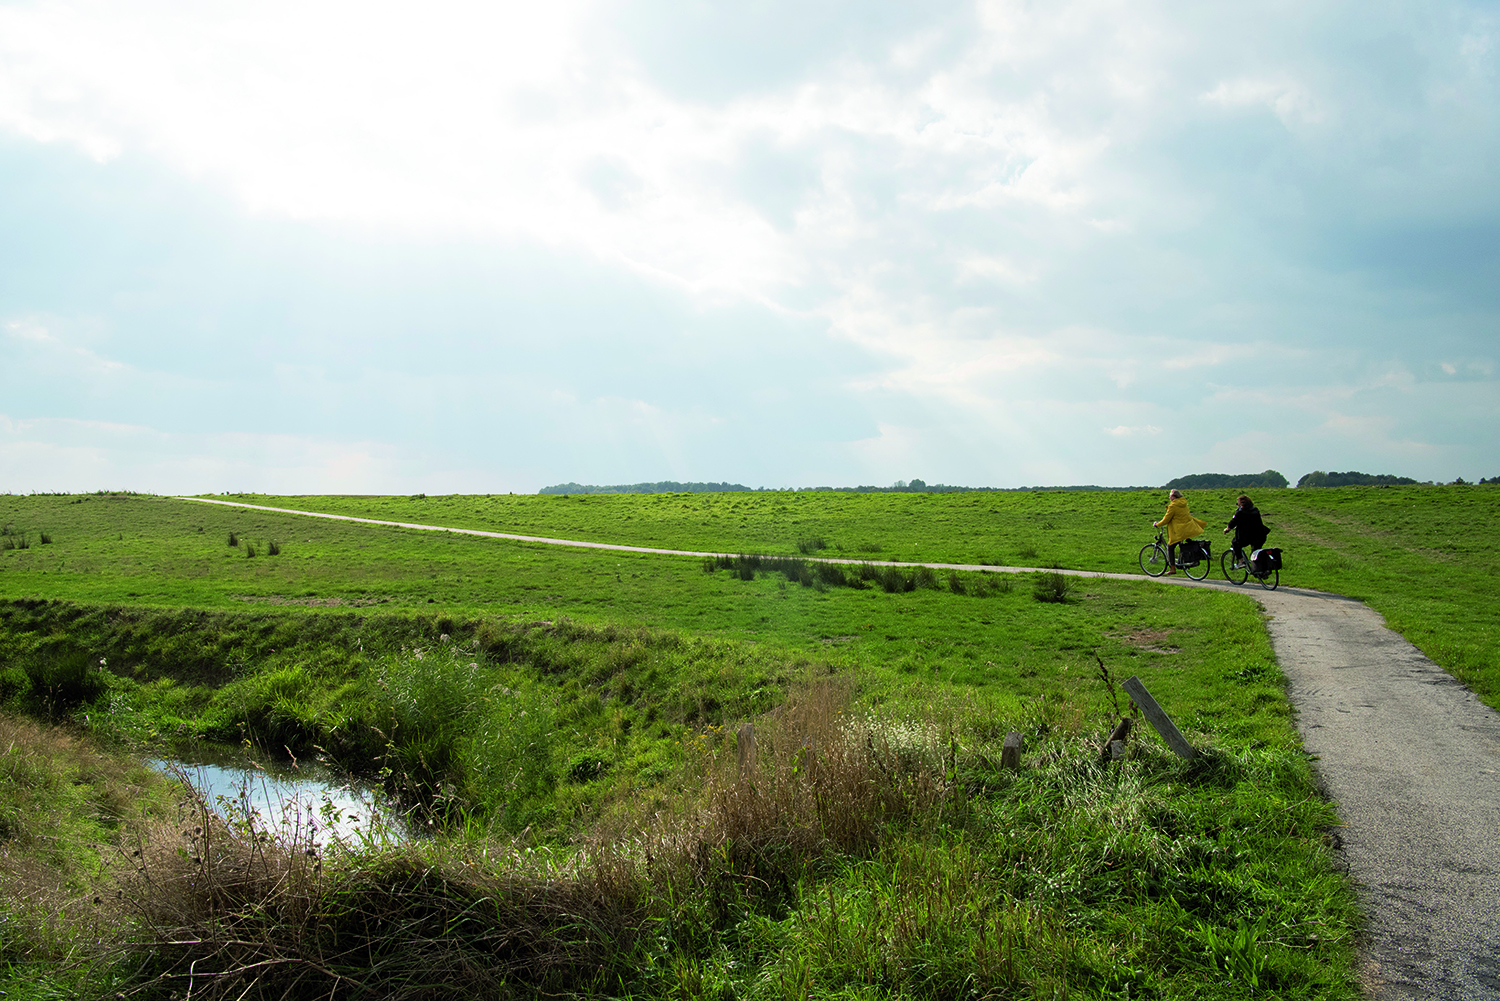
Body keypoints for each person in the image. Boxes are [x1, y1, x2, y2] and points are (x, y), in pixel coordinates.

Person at [1153, 489, 1207, 576]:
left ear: (1173, 497)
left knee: (1170, 547)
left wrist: (1157, 524)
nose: (1170, 498)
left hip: (1179, 531)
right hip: (1188, 528)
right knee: (1181, 545)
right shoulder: (1183, 503)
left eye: (1170, 496)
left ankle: (1172, 568)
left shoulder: (1173, 506)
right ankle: (1181, 560)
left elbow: (1166, 519)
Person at [1223, 494, 1269, 568]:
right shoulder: (1255, 510)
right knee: (1256, 553)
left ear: (1242, 504)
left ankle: (1241, 561)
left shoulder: (1241, 512)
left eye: (1238, 503)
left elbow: (1234, 521)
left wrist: (1228, 528)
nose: (1237, 505)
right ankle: (1260, 569)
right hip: (1260, 535)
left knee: (1235, 543)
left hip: (1247, 536)